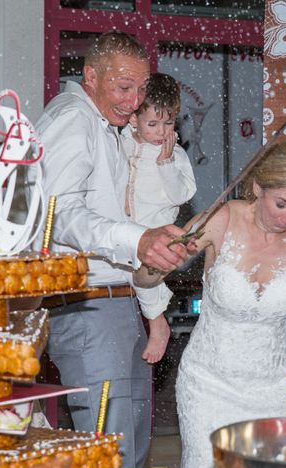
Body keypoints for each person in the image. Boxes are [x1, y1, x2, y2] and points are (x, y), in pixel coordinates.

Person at [135, 141, 286, 468]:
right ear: (258, 187)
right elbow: (145, 278)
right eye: (281, 204)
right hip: (208, 385)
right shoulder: (221, 220)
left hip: (275, 389)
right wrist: (157, 258)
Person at [32, 31, 190, 468]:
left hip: (115, 308)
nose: (135, 100)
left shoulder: (103, 125)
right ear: (91, 76)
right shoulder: (72, 119)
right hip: (89, 310)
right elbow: (58, 213)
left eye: (141, 89)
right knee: (110, 455)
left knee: (131, 452)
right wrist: (137, 240)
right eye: (124, 87)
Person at [121, 72, 197, 363]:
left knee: (143, 274)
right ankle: (153, 321)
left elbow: (182, 194)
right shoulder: (123, 143)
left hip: (155, 230)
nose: (161, 131)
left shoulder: (174, 154)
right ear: (133, 119)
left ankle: (158, 323)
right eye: (153, 124)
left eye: (168, 123)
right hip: (125, 227)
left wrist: (165, 163)